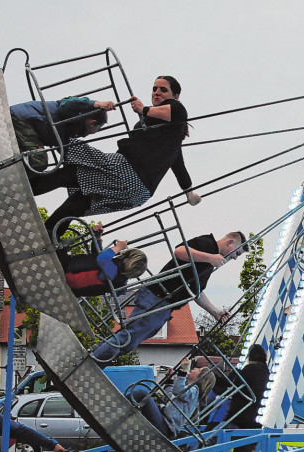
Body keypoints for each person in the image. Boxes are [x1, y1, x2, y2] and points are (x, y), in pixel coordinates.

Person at [27, 76, 202, 242]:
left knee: (72, 169)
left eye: (163, 90)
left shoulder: (177, 110)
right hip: (138, 191)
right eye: (154, 89)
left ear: (175, 96)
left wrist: (143, 109)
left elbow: (173, 112)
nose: (156, 92)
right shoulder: (171, 141)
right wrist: (189, 196)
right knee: (81, 199)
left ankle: (26, 189)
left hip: (127, 173)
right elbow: (179, 169)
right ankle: (49, 235)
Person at [90, 231, 245, 365]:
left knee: (131, 339)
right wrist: (210, 258)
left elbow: (196, 291)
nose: (235, 258)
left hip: (164, 303)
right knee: (128, 337)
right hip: (157, 297)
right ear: (230, 242)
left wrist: (215, 312)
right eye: (237, 253)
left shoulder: (210, 262)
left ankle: (95, 356)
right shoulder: (207, 244)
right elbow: (179, 251)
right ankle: (93, 361)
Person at [10, 96, 115, 171]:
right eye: (98, 128)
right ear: (92, 123)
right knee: (39, 161)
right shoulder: (70, 112)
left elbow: (64, 148)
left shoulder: (71, 130)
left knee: (39, 163)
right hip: (22, 120)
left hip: (28, 125)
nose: (95, 132)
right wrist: (96, 104)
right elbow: (67, 103)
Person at [128, 359, 216, 439]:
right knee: (143, 400)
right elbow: (170, 397)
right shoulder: (190, 391)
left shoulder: (194, 392)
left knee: (143, 394)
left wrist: (184, 371)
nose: (195, 368)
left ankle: (120, 403)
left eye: (199, 370)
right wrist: (170, 381)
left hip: (166, 426)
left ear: (201, 377)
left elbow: (178, 390)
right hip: (164, 423)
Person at [224, 344, 270, 452]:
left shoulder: (249, 370)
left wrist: (233, 373)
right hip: (257, 420)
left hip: (241, 418)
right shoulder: (267, 372)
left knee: (217, 441)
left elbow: (235, 383)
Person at [58, 239, 147, 297]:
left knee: (54, 239)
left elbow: (101, 259)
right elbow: (96, 257)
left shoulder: (114, 273)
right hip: (72, 291)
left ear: (127, 258)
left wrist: (118, 247)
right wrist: (97, 238)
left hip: (66, 269)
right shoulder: (119, 281)